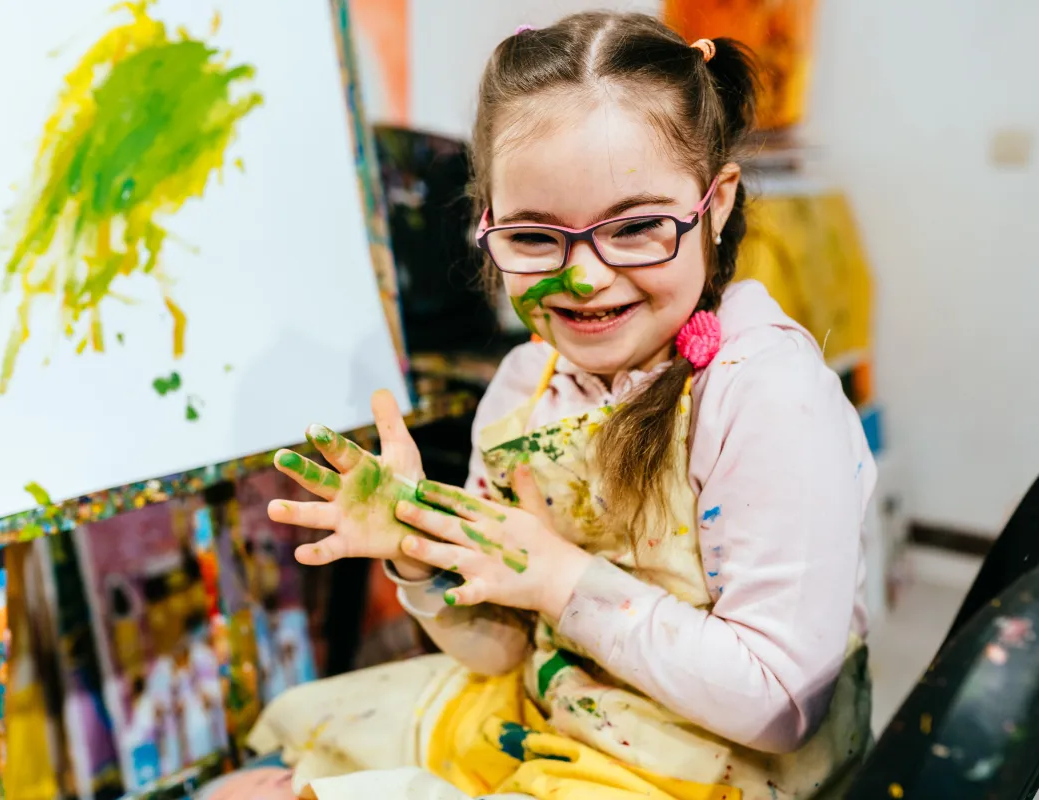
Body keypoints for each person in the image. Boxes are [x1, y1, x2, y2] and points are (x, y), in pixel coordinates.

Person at [248, 12, 875, 800]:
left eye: (640, 226)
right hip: (557, 713)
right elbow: (502, 654)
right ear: (488, 225)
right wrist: (417, 555)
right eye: (536, 237)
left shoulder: (764, 392)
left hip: (726, 768)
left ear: (714, 205)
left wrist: (560, 582)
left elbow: (784, 706)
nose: (583, 278)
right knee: (277, 757)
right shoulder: (524, 389)